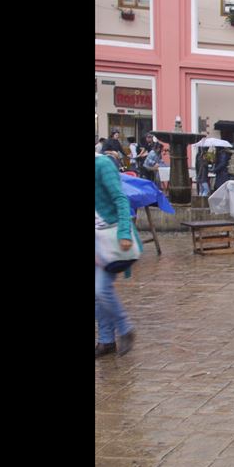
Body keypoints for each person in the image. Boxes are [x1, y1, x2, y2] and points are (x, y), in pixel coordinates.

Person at [95, 152, 141, 358]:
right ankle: (106, 340)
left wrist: (124, 233)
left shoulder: (102, 164)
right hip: (97, 240)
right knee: (97, 294)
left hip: (110, 237)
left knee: (101, 289)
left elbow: (120, 199)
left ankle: (125, 328)